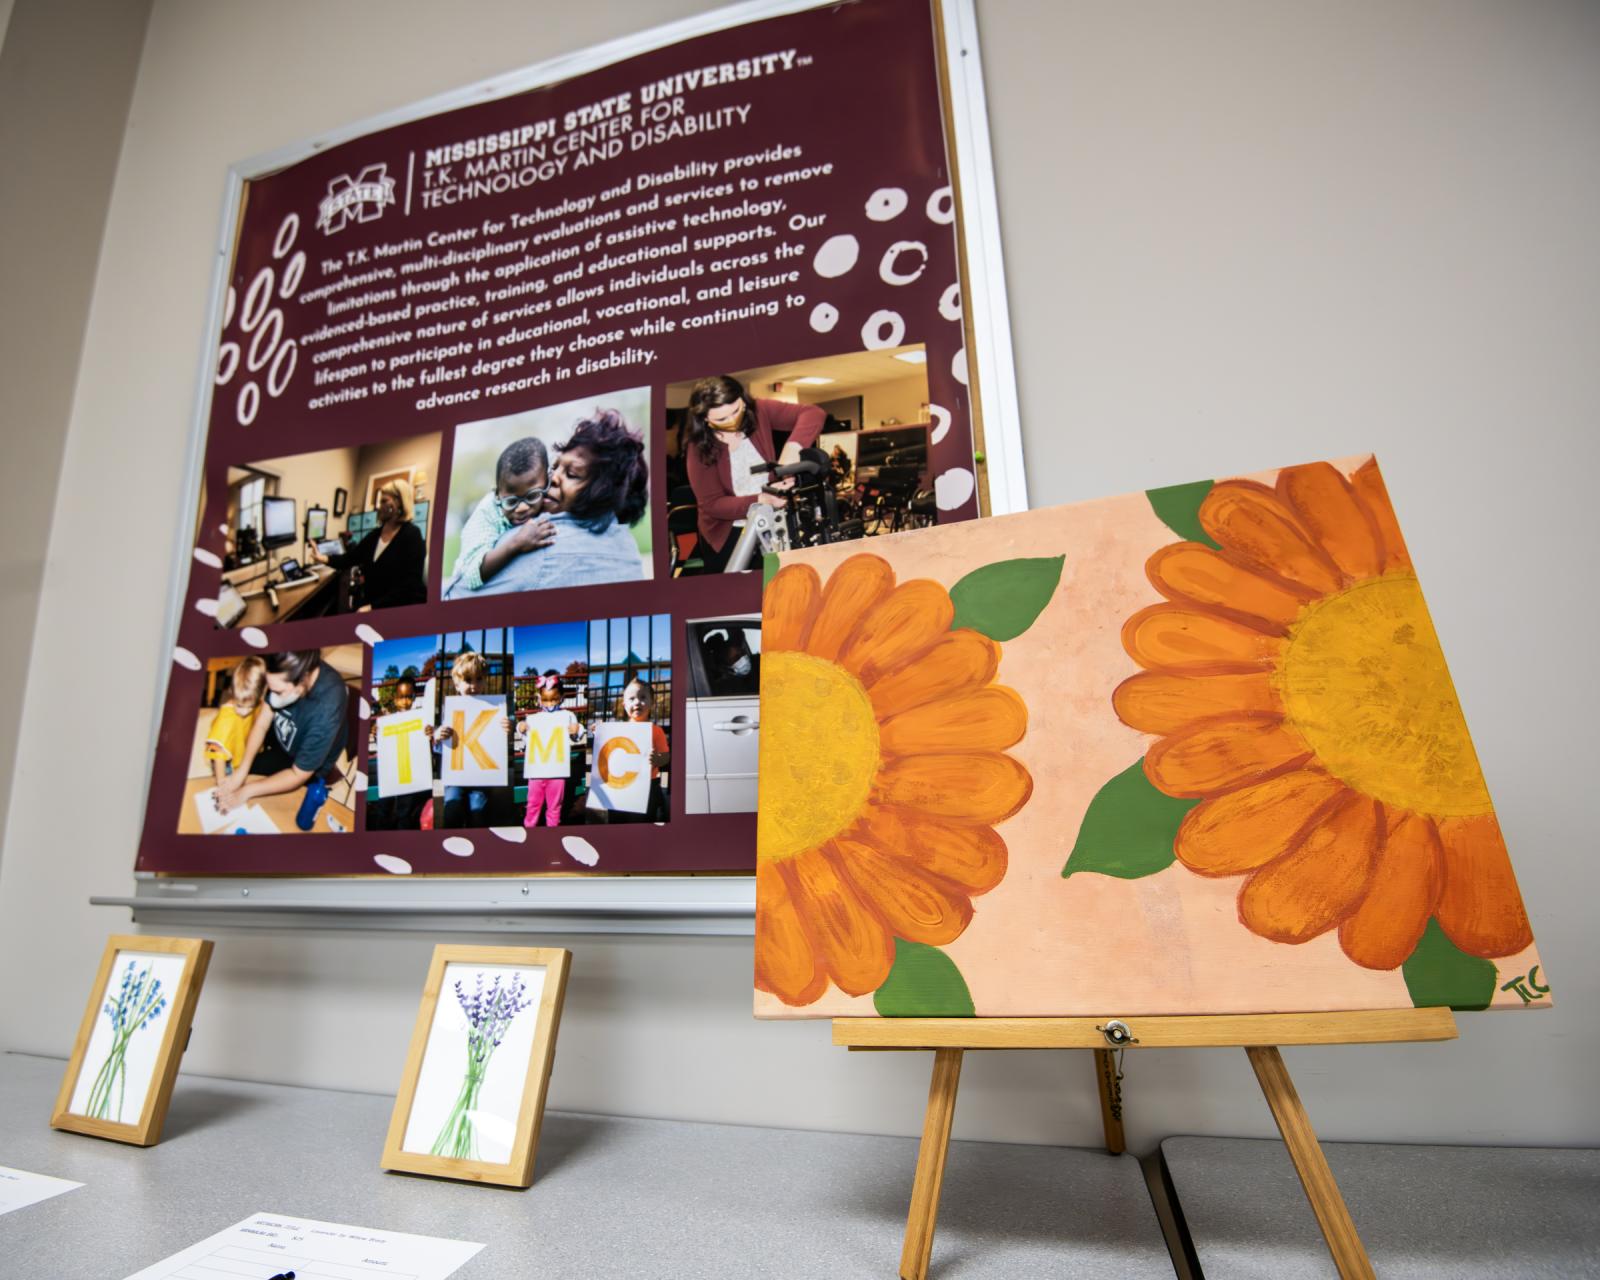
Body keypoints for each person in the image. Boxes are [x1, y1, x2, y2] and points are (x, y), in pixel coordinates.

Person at [450, 409, 649, 595]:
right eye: (554, 468)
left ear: (604, 491)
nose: (553, 478)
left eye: (572, 474)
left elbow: (456, 595)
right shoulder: (628, 548)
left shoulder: (541, 540)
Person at [683, 375, 825, 572]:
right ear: (704, 418)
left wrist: (794, 447)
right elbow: (712, 504)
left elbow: (813, 413)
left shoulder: (759, 410)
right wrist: (760, 499)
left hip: (771, 524)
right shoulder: (698, 447)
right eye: (722, 419)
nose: (733, 421)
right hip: (728, 534)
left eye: (736, 411)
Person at [217, 649, 349, 824]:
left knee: (277, 816)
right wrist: (242, 771)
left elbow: (298, 774)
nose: (273, 698)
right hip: (284, 744)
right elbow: (262, 724)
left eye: (278, 692)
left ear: (303, 679)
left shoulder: (327, 706)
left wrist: (247, 791)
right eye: (270, 690)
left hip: (305, 770)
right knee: (245, 776)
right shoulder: (283, 667)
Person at [441, 436, 557, 597]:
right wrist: (517, 543)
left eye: (532, 496)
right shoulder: (486, 514)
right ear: (497, 494)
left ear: (548, 481)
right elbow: (472, 576)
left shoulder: (552, 491)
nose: (522, 508)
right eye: (511, 501)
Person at [309, 477, 427, 610]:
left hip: (400, 608)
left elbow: (410, 585)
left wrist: (373, 607)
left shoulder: (412, 534)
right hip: (373, 605)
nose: (378, 506)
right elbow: (349, 558)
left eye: (384, 501)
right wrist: (323, 558)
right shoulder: (375, 535)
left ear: (399, 503)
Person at [434, 651, 510, 828]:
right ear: (457, 684)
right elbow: (441, 749)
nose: (474, 685)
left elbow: (495, 744)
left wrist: (506, 728)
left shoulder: (494, 709)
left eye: (479, 679)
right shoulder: (452, 711)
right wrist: (438, 737)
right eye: (468, 680)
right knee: (452, 809)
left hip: (480, 779)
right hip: (455, 778)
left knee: (479, 812)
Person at [600, 676, 669, 824]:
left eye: (643, 697)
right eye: (631, 699)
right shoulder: (617, 730)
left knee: (641, 822)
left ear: (652, 703)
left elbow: (665, 756)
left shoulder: (656, 731)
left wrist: (658, 759)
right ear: (624, 705)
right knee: (617, 822)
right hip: (619, 788)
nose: (637, 702)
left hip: (646, 787)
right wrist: (599, 733)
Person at [521, 671, 584, 829]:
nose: (550, 704)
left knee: (555, 807)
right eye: (546, 700)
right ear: (539, 699)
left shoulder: (568, 715)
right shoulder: (534, 719)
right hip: (536, 772)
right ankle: (529, 831)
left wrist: (576, 730)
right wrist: (520, 728)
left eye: (554, 699)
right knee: (532, 805)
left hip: (557, 773)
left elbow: (576, 735)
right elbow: (527, 738)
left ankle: (553, 835)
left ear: (561, 698)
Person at [367, 675, 428, 831]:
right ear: (395, 699)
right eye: (401, 697)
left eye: (409, 696)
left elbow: (423, 746)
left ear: (414, 697)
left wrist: (428, 733)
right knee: (383, 809)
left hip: (408, 773)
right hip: (391, 773)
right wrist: (376, 734)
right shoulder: (388, 722)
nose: (405, 701)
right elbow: (385, 747)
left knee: (405, 811)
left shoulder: (419, 721)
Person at [203, 656, 266, 790]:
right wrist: (222, 782)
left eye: (249, 707)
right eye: (239, 706)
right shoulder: (226, 718)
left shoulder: (258, 702)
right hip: (225, 760)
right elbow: (218, 753)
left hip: (241, 746)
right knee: (229, 778)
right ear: (232, 692)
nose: (244, 712)